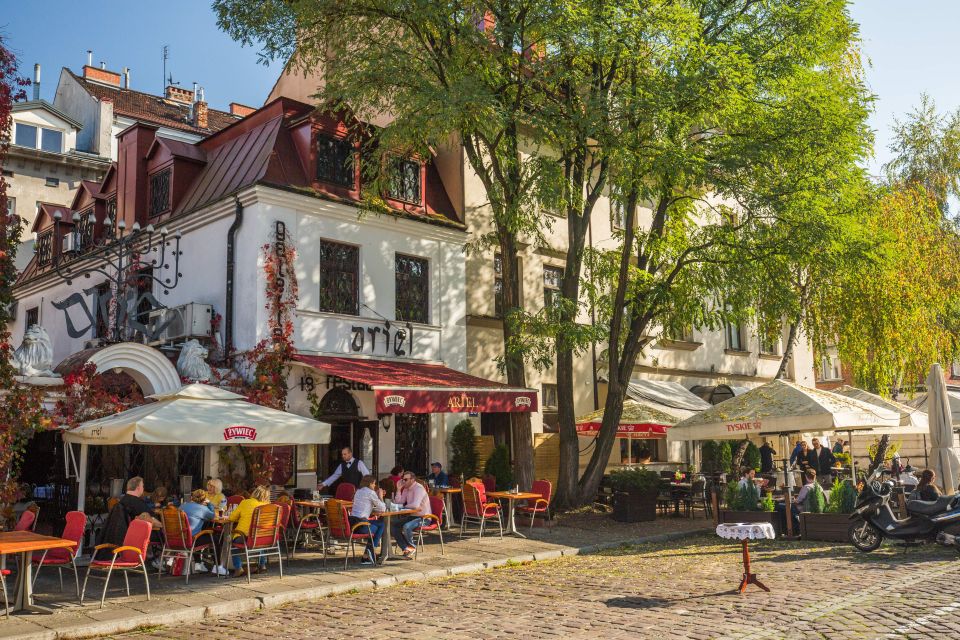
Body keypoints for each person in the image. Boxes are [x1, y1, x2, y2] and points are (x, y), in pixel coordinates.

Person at [99, 477, 162, 560]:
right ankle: (162, 560)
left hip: (124, 535)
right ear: (138, 488)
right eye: (142, 486)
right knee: (167, 535)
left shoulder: (121, 501)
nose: (143, 489)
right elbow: (152, 520)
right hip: (139, 536)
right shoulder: (137, 503)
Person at [228, 485, 271, 577]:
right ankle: (262, 565)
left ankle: (238, 568)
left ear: (254, 493)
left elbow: (232, 518)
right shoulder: (269, 506)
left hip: (244, 537)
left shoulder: (245, 502)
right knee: (258, 538)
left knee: (232, 542)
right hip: (263, 537)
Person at [392, 471, 431, 558]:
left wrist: (403, 506)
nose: (403, 481)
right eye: (402, 479)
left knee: (406, 526)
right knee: (394, 525)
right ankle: (406, 548)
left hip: (424, 517)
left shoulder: (418, 489)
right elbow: (398, 502)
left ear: (412, 480)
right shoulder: (406, 488)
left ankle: (412, 546)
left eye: (405, 479)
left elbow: (415, 505)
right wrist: (398, 489)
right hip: (412, 516)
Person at [350, 475, 387, 565]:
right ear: (370, 484)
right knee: (381, 525)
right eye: (374, 484)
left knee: (378, 524)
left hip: (353, 523)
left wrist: (372, 508)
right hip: (361, 526)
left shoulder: (358, 491)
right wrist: (380, 496)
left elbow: (365, 505)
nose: (375, 486)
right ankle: (369, 552)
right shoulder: (370, 492)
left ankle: (368, 554)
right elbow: (382, 508)